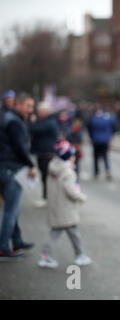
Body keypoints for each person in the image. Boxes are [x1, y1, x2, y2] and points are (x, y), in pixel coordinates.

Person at [38, 140, 90, 268]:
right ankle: (80, 255)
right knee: (74, 234)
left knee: (55, 233)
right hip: (66, 209)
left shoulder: (53, 166)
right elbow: (71, 191)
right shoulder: (68, 172)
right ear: (68, 156)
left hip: (56, 206)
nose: (74, 157)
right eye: (72, 155)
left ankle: (46, 256)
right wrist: (82, 197)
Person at [0, 93, 37, 260]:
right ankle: (3, 248)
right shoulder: (14, 121)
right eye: (28, 106)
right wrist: (31, 165)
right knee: (11, 210)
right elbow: (20, 147)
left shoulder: (9, 117)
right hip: (12, 169)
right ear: (18, 105)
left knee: (11, 208)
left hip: (5, 167)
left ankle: (17, 240)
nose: (31, 110)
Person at [29, 101, 59, 208]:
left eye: (40, 111)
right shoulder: (46, 121)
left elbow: (34, 129)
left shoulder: (49, 122)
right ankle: (47, 197)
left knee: (47, 176)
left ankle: (47, 197)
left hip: (47, 153)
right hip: (43, 152)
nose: (38, 113)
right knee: (45, 176)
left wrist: (32, 122)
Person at [87, 106, 114, 180]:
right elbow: (111, 128)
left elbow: (89, 129)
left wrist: (91, 138)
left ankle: (96, 172)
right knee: (105, 156)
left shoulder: (93, 119)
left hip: (96, 140)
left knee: (96, 157)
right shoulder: (107, 119)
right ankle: (107, 170)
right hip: (105, 140)